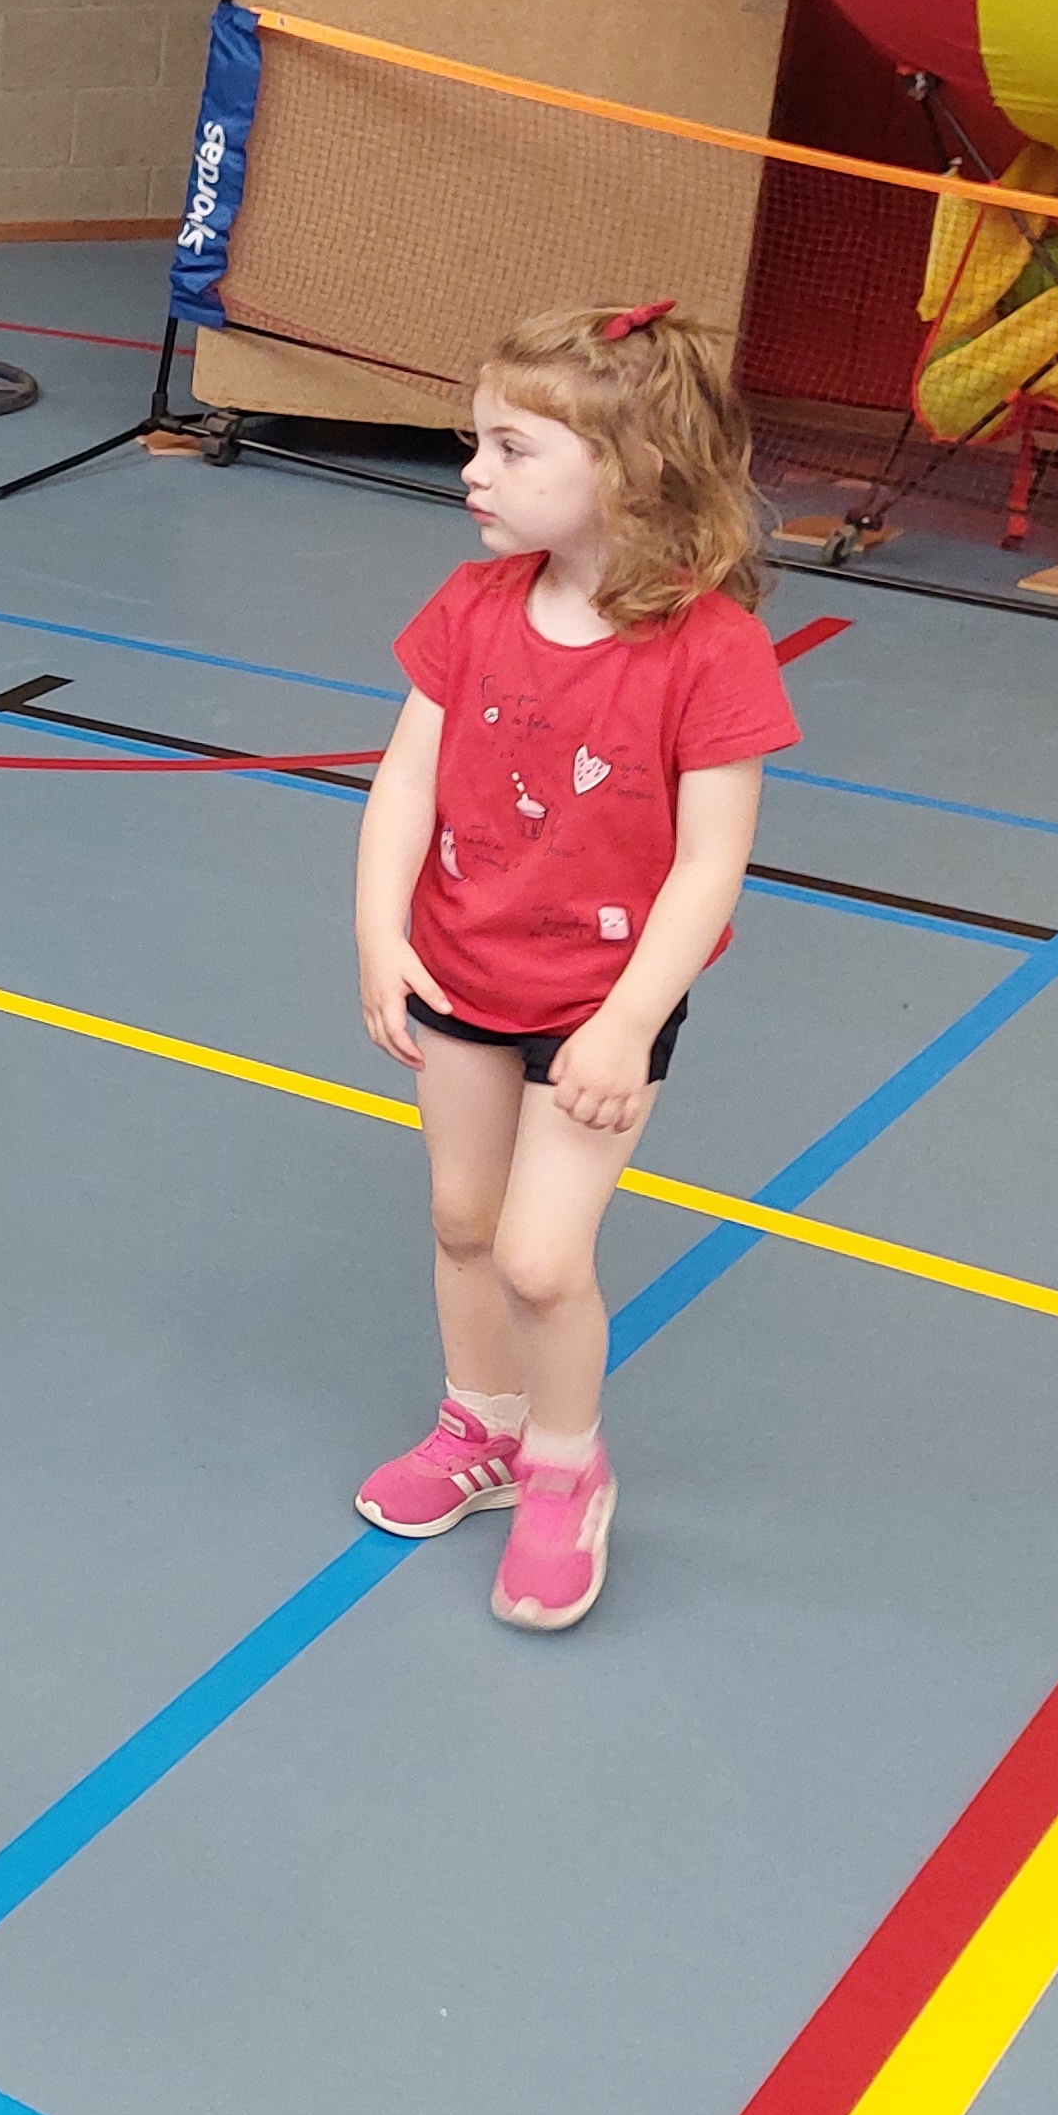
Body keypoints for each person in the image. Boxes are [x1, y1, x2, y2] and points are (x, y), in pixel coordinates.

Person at [349, 298, 799, 1631]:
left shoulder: (711, 650)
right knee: (462, 1221)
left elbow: (709, 864)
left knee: (543, 1260)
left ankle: (564, 1470)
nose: (472, 473)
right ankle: (480, 1430)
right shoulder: (471, 607)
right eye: (475, 442)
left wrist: (626, 1022)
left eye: (510, 448)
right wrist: (379, 933)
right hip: (459, 972)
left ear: (629, 467)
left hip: (601, 1006)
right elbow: (406, 780)